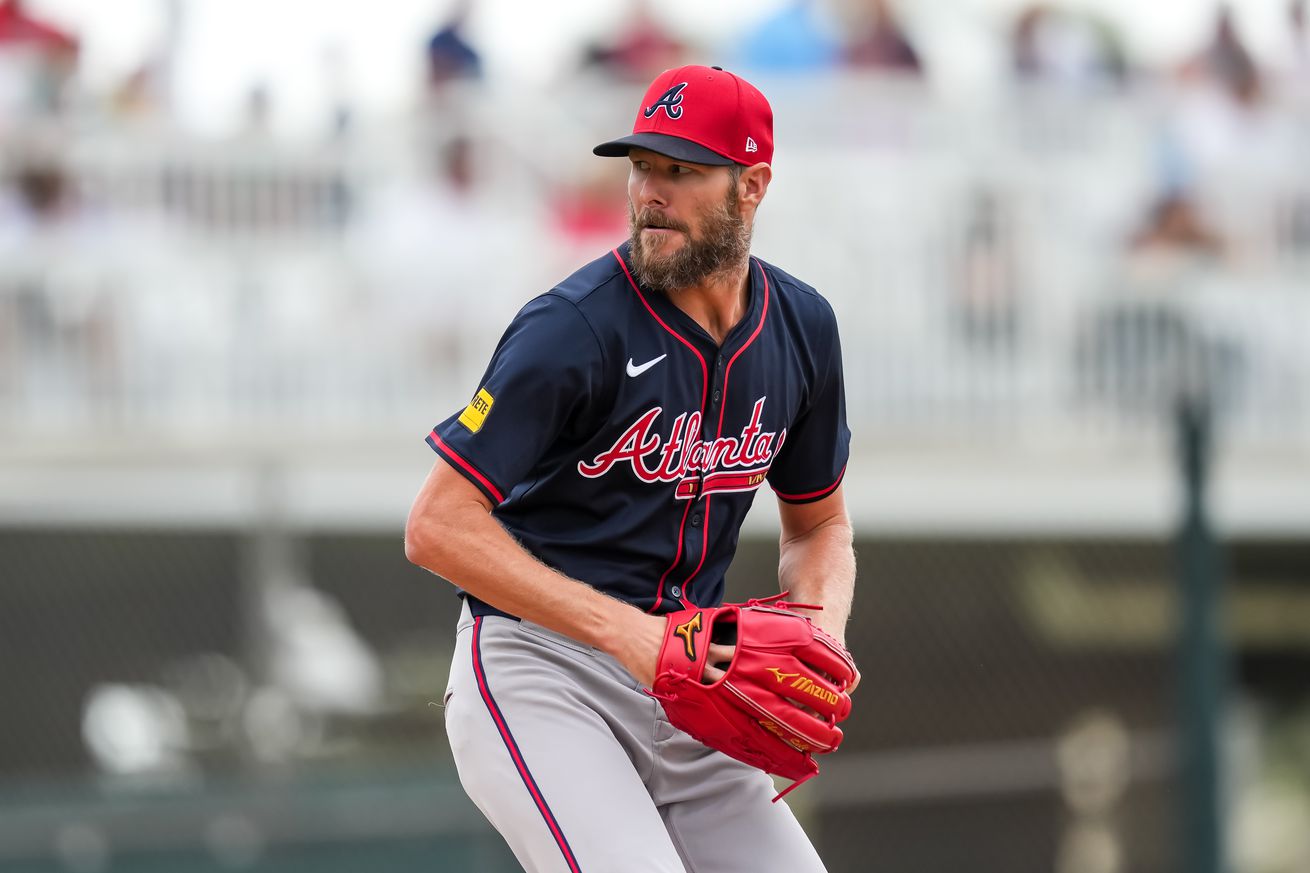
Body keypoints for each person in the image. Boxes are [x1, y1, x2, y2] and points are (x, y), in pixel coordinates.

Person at [405, 64, 856, 873]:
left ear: (750, 186)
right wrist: (632, 637)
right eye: (643, 164)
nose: (651, 190)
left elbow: (820, 522)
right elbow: (436, 526)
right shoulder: (572, 328)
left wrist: (818, 634)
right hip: (542, 668)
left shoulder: (802, 327)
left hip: (692, 682)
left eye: (682, 170)